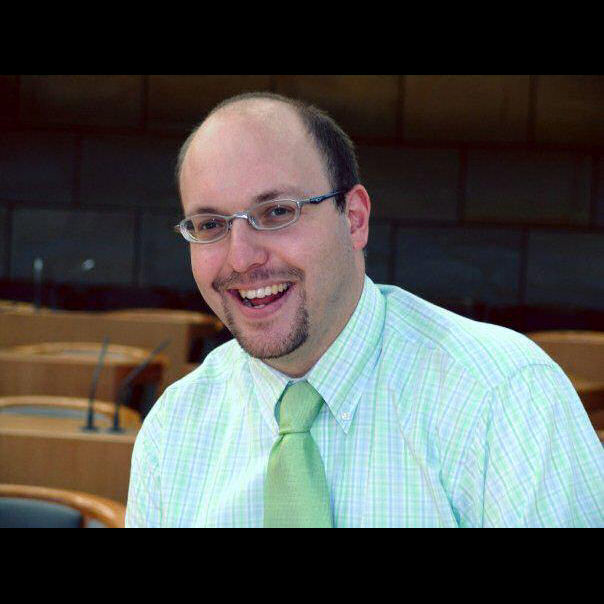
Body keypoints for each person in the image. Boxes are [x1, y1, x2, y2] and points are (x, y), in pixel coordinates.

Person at [126, 92, 604, 528]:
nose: (241, 258)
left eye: (277, 212)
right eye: (210, 224)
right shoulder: (174, 428)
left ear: (354, 219)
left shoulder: (504, 396)